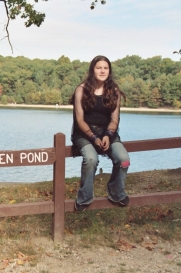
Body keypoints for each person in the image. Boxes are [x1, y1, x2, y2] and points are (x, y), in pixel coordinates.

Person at [69, 55, 130, 212]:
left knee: (123, 159)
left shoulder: (114, 91)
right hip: (84, 133)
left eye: (105, 68)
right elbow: (80, 120)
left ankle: (116, 192)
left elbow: (115, 119)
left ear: (109, 71)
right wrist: (94, 138)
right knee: (91, 159)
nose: (102, 71)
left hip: (107, 132)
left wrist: (107, 136)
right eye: (98, 67)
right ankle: (84, 197)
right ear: (92, 70)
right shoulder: (81, 90)